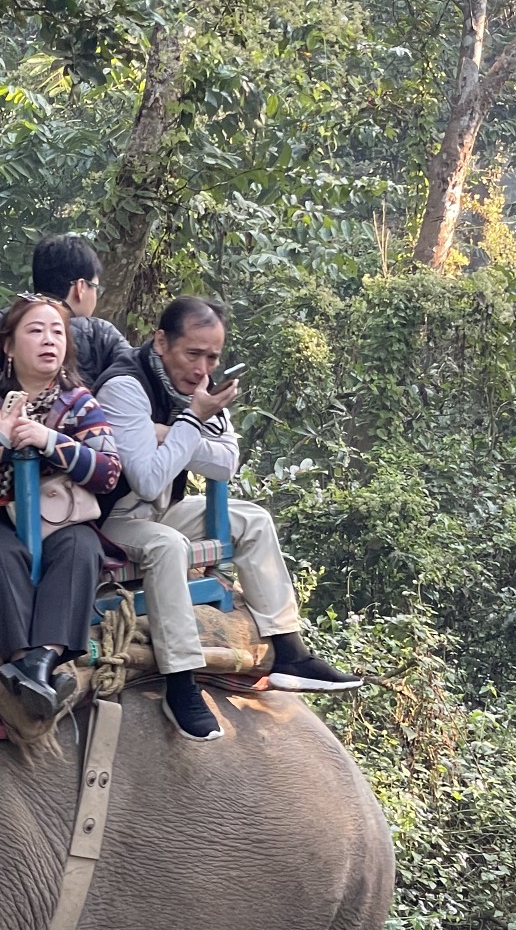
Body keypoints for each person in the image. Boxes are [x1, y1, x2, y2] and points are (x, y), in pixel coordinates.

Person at [97, 294, 361, 743]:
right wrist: (195, 420)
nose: (203, 369)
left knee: (252, 520)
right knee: (167, 547)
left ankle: (289, 650)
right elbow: (144, 477)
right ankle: (181, 682)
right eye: (193, 354)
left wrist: (171, 431)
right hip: (108, 520)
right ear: (161, 342)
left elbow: (226, 463)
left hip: (162, 510)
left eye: (213, 357)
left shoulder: (203, 388)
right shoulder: (124, 386)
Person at [0, 295, 121, 721]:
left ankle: (41, 660)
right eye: (35, 331)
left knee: (82, 548)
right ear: (9, 347)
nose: (48, 340)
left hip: (59, 521)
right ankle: (26, 659)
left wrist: (51, 440)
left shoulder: (81, 403)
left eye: (57, 332)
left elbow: (109, 473)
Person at [31, 234, 134, 390]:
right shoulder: (99, 334)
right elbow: (140, 376)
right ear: (80, 288)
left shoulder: (3, 324)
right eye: (95, 287)